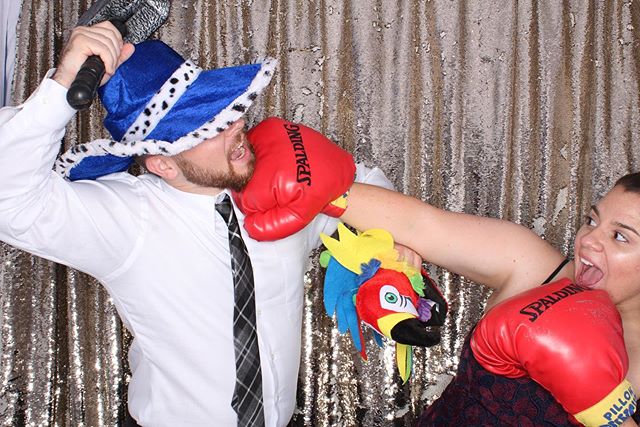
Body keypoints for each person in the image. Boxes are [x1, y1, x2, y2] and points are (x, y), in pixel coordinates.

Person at [0, 22, 393, 426]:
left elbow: (362, 184)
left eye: (230, 111)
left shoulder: (279, 182)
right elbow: (8, 200)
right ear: (163, 163)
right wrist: (64, 84)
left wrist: (390, 251)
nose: (237, 126)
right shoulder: (126, 218)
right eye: (209, 126)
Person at [331, 180, 640, 426]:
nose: (587, 240)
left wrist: (609, 413)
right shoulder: (537, 269)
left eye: (620, 237)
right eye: (591, 220)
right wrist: (311, 184)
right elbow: (419, 225)